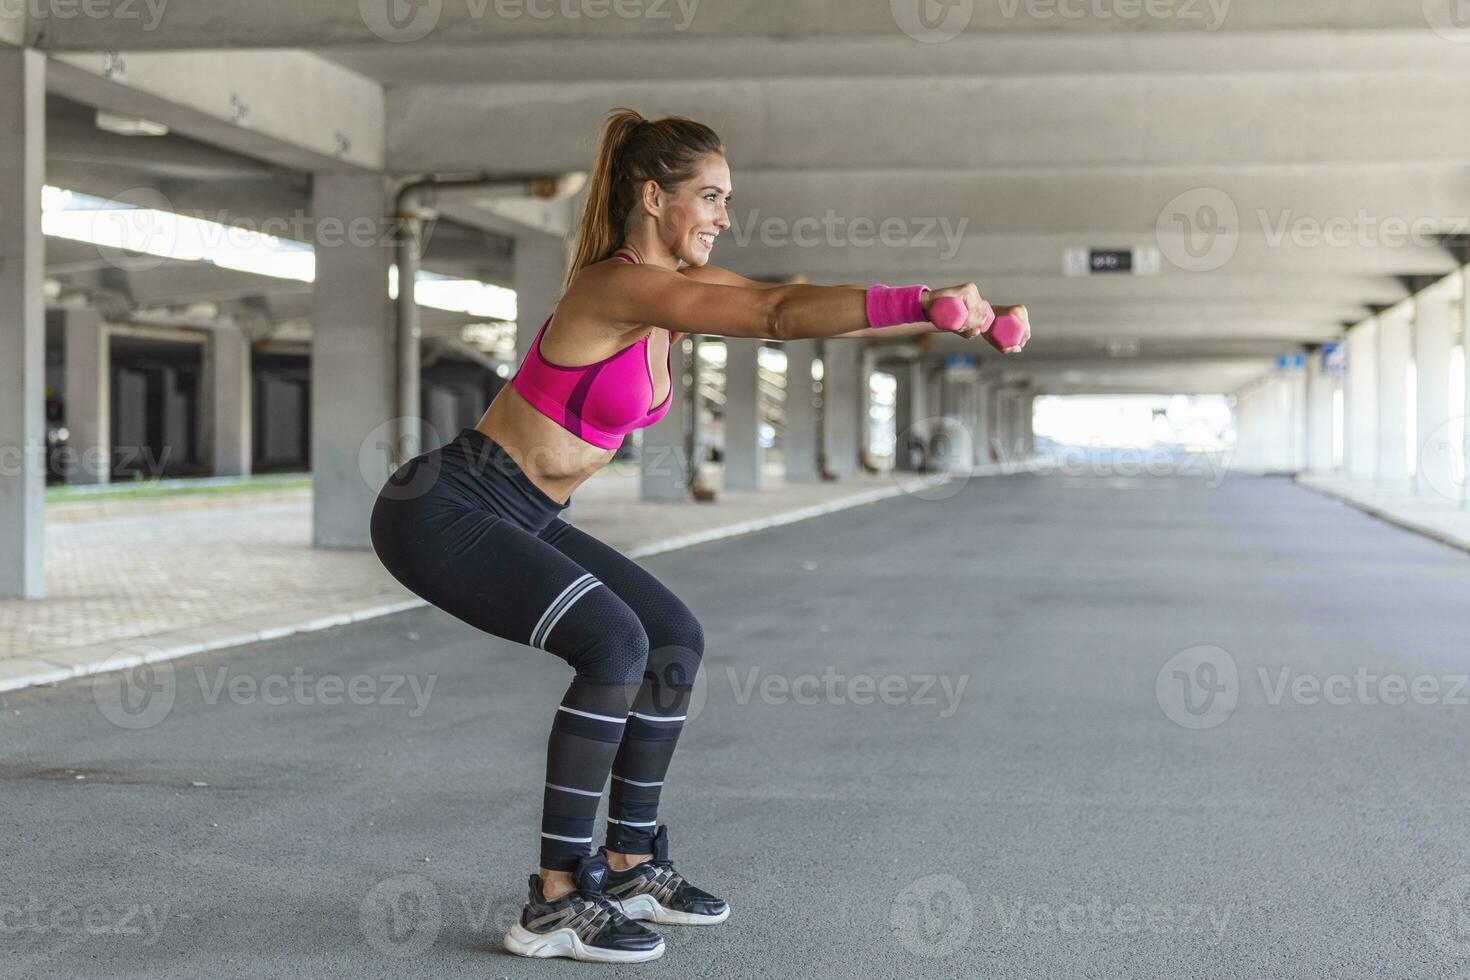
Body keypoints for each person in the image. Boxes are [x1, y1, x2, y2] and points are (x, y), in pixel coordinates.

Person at [369, 107, 1030, 965]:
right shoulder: (615, 286)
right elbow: (777, 311)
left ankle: (632, 862)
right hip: (445, 507)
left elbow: (791, 302)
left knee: (673, 638)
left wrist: (948, 314)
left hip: (523, 511)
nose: (723, 215)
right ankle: (556, 901)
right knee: (614, 641)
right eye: (711, 196)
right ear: (653, 197)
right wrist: (916, 300)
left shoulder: (671, 302)